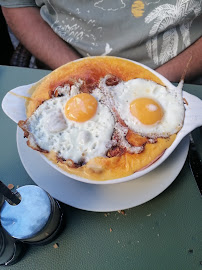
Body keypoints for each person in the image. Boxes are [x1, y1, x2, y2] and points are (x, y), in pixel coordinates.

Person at [1, 0, 202, 83]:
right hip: (64, 70)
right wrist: (78, 71)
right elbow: (18, 5)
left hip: (187, 77)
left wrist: (154, 83)